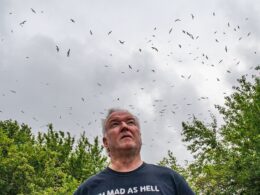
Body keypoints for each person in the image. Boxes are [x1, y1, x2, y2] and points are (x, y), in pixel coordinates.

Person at [74, 108, 195, 195]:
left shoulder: (170, 179)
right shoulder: (88, 189)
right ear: (106, 142)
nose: (124, 126)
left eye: (130, 122)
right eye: (115, 124)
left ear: (139, 135)